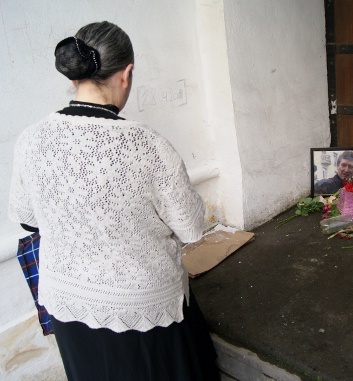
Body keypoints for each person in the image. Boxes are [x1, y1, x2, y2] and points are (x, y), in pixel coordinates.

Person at [8, 21, 220, 381]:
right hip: (142, 308)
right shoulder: (147, 145)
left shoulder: (32, 139)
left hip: (68, 300)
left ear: (74, 77)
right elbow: (191, 228)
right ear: (127, 73)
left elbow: (28, 218)